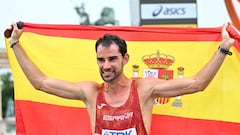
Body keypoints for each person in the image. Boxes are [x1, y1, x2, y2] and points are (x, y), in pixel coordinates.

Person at [8, 22, 236, 135]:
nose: (106, 66)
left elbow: (197, 84)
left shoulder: (144, 89)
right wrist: (16, 44)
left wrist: (224, 47)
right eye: (101, 60)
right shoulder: (90, 92)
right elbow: (41, 83)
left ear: (125, 58)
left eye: (112, 59)